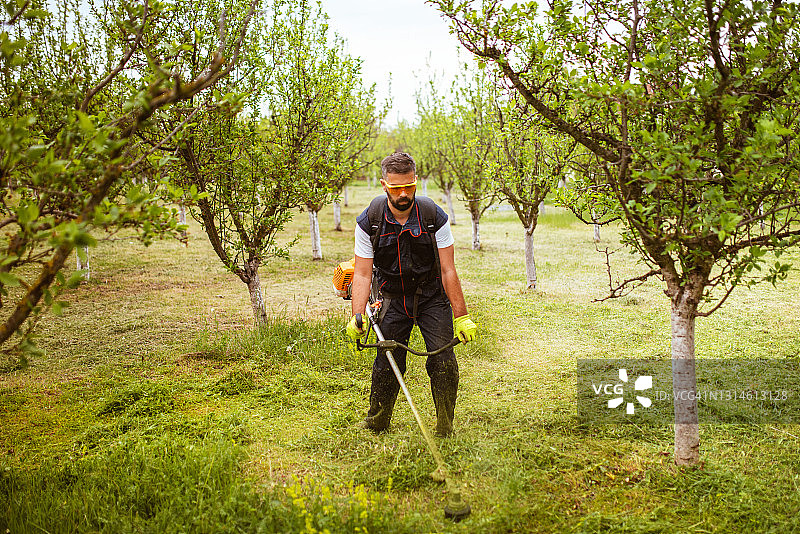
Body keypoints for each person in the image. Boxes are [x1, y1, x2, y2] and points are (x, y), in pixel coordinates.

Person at [346, 152, 477, 437]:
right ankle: (377, 422)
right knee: (387, 362)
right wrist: (357, 315)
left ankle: (445, 426)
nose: (403, 194)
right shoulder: (370, 221)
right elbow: (363, 273)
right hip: (392, 297)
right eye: (395, 188)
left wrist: (462, 316)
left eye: (409, 186)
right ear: (384, 185)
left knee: (443, 361)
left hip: (432, 296)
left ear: (416, 181)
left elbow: (448, 270)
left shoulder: (433, 217)